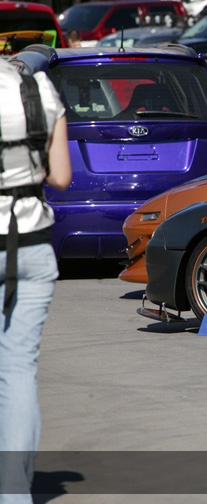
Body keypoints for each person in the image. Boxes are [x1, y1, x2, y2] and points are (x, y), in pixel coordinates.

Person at [0, 58, 71, 503]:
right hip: (30, 245)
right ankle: (14, 493)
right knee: (18, 372)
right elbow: (61, 176)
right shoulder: (38, 88)